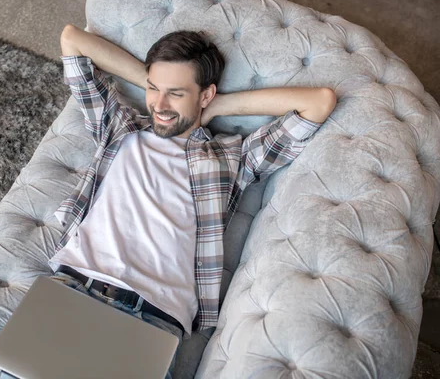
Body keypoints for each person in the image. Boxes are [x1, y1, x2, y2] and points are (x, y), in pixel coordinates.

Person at [48, 24, 336, 378]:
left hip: (151, 315)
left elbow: (319, 102)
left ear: (205, 94)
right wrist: (159, 83)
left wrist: (220, 106)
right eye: (153, 89)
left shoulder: (232, 158)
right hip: (74, 284)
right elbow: (72, 40)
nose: (160, 105)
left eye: (176, 94)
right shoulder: (121, 128)